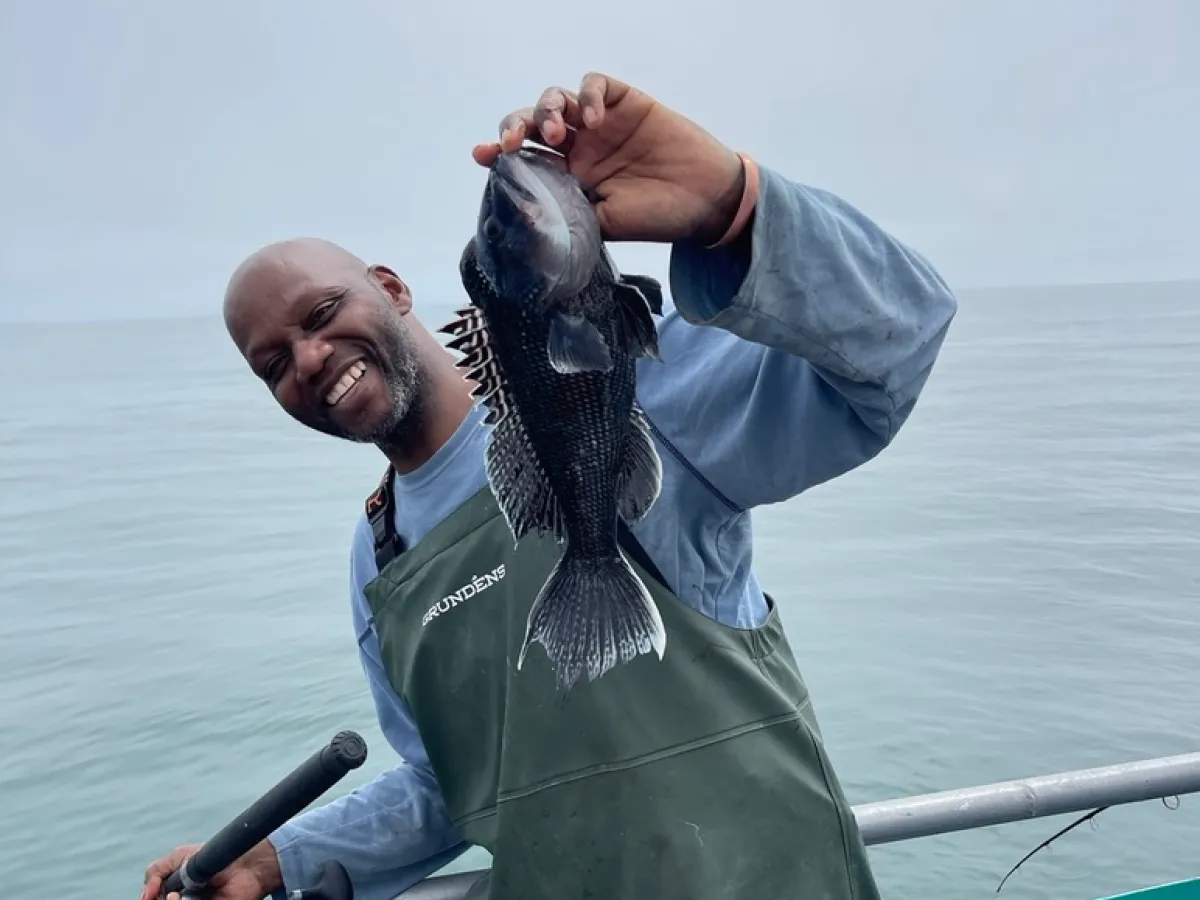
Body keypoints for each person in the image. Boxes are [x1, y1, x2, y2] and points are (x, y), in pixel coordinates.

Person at [143, 72, 958, 900]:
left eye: (320, 315)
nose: (310, 360)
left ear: (391, 288)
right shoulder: (378, 557)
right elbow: (445, 787)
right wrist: (279, 856)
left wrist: (731, 202)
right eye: (274, 365)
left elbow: (901, 339)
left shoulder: (644, 381)